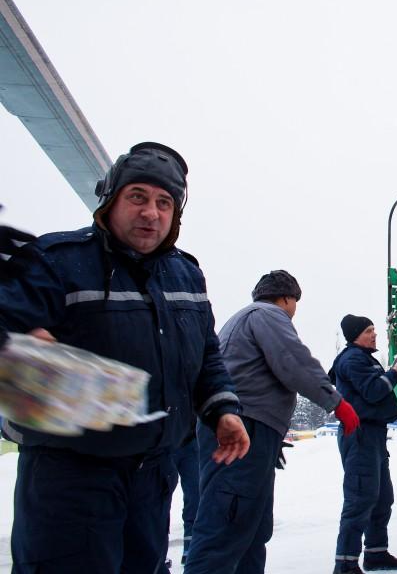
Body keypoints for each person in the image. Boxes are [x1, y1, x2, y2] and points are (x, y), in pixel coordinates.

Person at [0, 142, 249, 573]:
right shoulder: (56, 261)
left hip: (152, 478)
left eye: (163, 202)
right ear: (110, 200)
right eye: (137, 197)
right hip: (70, 482)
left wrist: (222, 409)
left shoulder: (186, 275)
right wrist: (18, 347)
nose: (151, 212)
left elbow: (206, 354)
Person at [185, 269, 359, 573]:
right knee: (228, 523)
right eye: (295, 302)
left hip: (247, 428)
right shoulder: (268, 315)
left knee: (251, 526)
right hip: (242, 429)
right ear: (287, 298)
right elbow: (293, 361)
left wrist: (270, 436)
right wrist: (336, 402)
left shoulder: (240, 319)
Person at [330, 315, 397, 574]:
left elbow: (372, 387)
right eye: (369, 331)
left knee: (380, 498)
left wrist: (392, 369)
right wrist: (396, 372)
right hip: (359, 435)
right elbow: (373, 390)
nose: (374, 334)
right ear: (356, 335)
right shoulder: (353, 359)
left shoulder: (362, 358)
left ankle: (376, 553)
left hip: (373, 435)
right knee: (360, 499)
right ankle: (345, 563)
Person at [172, 427, 200, 566]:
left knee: (195, 497)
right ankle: (158, 551)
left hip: (191, 440)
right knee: (159, 500)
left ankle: (191, 548)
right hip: (165, 443)